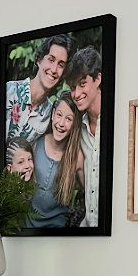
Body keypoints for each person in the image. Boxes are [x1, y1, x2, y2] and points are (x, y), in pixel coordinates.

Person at [25, 91, 84, 229]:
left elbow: (91, 194)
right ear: (52, 115)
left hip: (58, 233)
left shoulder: (77, 157)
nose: (61, 123)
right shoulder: (35, 144)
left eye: (69, 119)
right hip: (26, 230)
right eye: (59, 115)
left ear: (75, 124)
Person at [5, 34, 72, 146]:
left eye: (60, 65)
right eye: (51, 60)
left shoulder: (49, 115)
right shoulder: (8, 91)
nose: (54, 69)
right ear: (39, 59)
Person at [65, 46, 102, 228]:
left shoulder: (118, 120)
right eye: (73, 87)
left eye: (82, 84)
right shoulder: (79, 128)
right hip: (89, 229)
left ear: (97, 79)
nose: (76, 94)